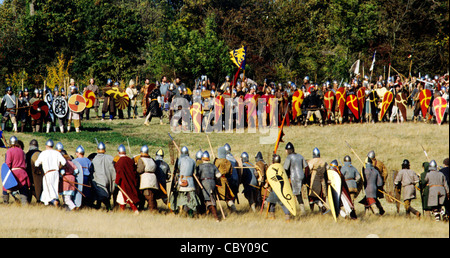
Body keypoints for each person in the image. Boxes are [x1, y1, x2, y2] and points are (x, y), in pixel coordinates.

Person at [34, 139, 67, 206]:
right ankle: (46, 203)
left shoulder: (43, 153)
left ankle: (54, 201)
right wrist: (59, 167)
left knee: (48, 189)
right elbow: (64, 162)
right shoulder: (57, 153)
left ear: (46, 146)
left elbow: (36, 164)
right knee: (53, 189)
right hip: (56, 173)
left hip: (48, 173)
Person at [171, 146, 201, 217]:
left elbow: (178, 169)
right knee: (190, 200)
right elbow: (193, 171)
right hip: (190, 183)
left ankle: (180, 213)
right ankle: (190, 214)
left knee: (179, 198)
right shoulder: (193, 161)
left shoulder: (180, 160)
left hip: (181, 182)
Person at [3, 136, 30, 205]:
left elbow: (8, 163)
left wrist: (6, 172)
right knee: (22, 188)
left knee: (5, 187)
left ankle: (6, 203)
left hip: (13, 173)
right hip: (22, 172)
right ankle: (25, 204)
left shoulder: (9, 151)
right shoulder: (22, 151)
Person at [196, 151, 221, 221]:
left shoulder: (200, 166)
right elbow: (219, 175)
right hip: (212, 183)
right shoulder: (213, 166)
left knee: (208, 200)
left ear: (202, 159)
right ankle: (207, 213)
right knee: (211, 197)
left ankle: (216, 217)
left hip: (204, 183)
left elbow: (197, 176)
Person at [283, 142, 308, 214]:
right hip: (301, 177)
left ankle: (290, 210)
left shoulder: (289, 157)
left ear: (288, 150)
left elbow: (285, 169)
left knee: (290, 194)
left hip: (294, 177)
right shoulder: (300, 156)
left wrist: (286, 177)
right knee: (298, 193)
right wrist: (305, 178)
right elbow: (306, 167)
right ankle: (303, 210)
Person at [114, 144, 139, 214]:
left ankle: (135, 211)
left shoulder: (119, 162)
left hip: (124, 183)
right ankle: (122, 213)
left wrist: (116, 182)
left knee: (128, 198)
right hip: (131, 182)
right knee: (122, 198)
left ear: (119, 152)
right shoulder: (130, 160)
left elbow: (119, 173)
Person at [267, 154, 292, 221]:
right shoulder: (282, 168)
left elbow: (271, 179)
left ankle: (272, 216)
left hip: (275, 189)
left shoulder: (273, 169)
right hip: (282, 190)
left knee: (271, 202)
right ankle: (287, 218)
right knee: (283, 203)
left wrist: (267, 184)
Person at [91, 142, 116, 211]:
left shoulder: (94, 159)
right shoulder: (110, 158)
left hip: (99, 180)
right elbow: (113, 170)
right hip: (108, 179)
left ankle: (109, 208)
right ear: (104, 150)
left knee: (102, 194)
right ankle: (98, 206)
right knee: (102, 194)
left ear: (97, 149)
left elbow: (92, 172)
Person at [136, 145, 159, 212]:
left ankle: (153, 210)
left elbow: (140, 170)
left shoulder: (141, 159)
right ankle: (143, 208)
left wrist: (136, 167)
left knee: (149, 196)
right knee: (151, 196)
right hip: (153, 179)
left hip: (146, 180)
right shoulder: (151, 159)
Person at [214, 146, 237, 212]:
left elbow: (214, 170)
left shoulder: (218, 161)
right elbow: (230, 173)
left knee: (214, 196)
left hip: (218, 182)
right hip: (226, 181)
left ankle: (214, 211)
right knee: (228, 198)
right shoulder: (228, 162)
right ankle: (234, 210)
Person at [306, 147, 327, 212]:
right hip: (322, 181)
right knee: (321, 195)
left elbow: (308, 170)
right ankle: (321, 210)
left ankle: (312, 211)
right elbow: (327, 171)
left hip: (314, 180)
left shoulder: (312, 161)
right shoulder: (323, 162)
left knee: (312, 197)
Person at [25, 139, 42, 203]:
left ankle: (28, 202)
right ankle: (39, 200)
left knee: (30, 189)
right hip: (41, 176)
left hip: (30, 175)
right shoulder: (41, 153)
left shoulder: (27, 154)